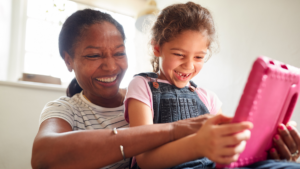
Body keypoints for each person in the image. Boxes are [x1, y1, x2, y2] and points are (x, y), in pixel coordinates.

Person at [124, 2, 300, 169]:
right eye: (179, 54)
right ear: (157, 48)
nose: (189, 65)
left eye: (199, 57)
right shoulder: (142, 86)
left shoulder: (208, 98)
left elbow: (226, 151)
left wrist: (268, 146)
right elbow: (145, 160)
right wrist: (198, 145)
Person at [31, 9, 213, 169]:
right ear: (68, 60)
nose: (111, 67)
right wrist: (173, 130)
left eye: (119, 53)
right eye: (94, 55)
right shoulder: (66, 110)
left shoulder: (145, 97)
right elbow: (43, 158)